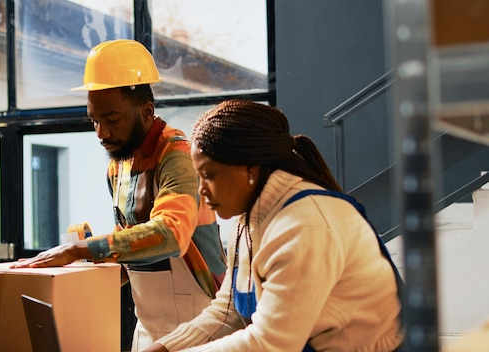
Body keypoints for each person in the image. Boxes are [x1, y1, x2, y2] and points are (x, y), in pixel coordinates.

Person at [11, 39, 227, 352]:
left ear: (146, 111)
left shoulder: (177, 154)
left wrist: (81, 250)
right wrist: (74, 279)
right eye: (94, 120)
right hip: (147, 326)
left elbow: (170, 234)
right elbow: (131, 250)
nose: (101, 133)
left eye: (112, 120)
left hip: (199, 322)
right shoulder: (118, 168)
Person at [143, 99, 405, 351]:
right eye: (198, 176)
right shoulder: (248, 220)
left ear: (251, 169)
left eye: (209, 175)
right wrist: (164, 348)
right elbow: (227, 312)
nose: (201, 190)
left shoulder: (305, 226)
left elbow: (270, 344)